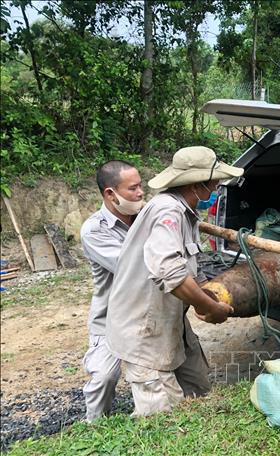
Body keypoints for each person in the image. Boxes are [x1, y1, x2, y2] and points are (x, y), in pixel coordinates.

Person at [105, 146, 243, 417]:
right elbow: (168, 269)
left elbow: (189, 265)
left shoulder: (185, 210)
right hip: (143, 327)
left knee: (199, 390)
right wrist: (209, 307)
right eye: (213, 182)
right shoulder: (168, 212)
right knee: (163, 415)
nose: (216, 186)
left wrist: (210, 293)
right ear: (196, 184)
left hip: (169, 321)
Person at [80, 160, 144, 422]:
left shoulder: (144, 217)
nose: (140, 193)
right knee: (105, 376)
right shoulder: (94, 230)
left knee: (160, 370)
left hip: (144, 312)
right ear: (111, 193)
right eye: (133, 188)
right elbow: (132, 266)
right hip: (111, 316)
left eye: (141, 186)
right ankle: (95, 425)